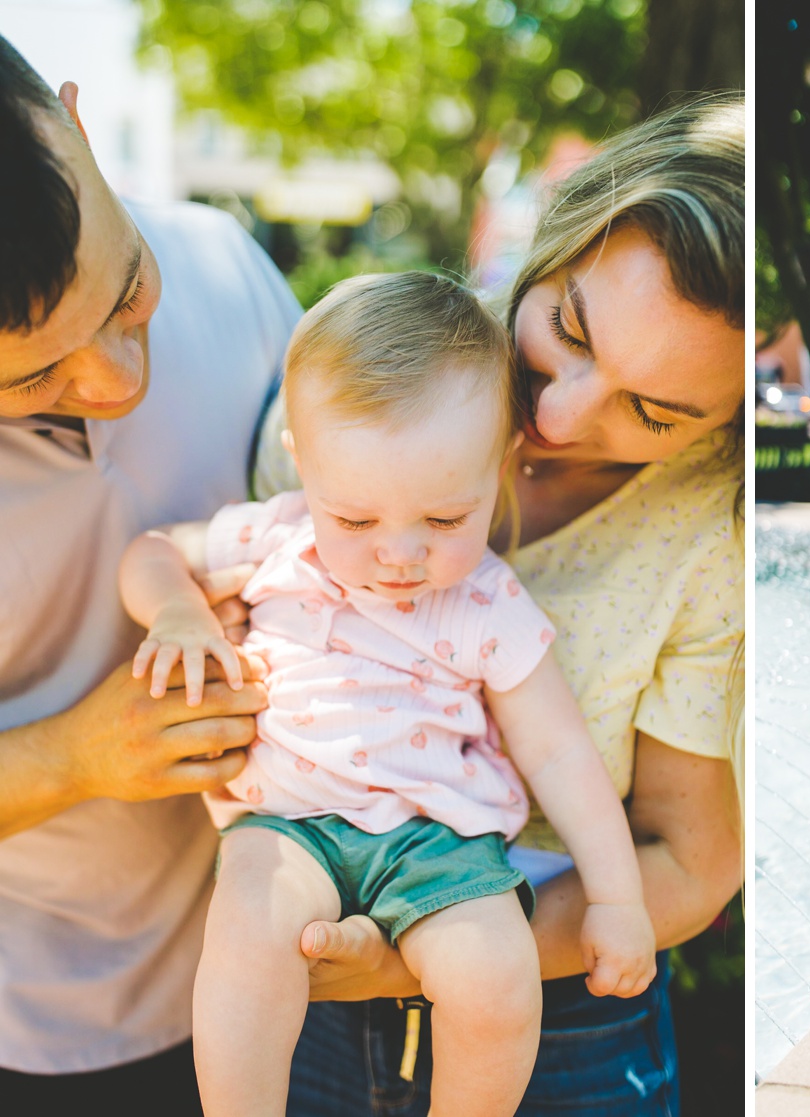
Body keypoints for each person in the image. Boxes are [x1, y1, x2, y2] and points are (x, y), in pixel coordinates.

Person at [272, 97, 746, 1115]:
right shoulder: (387, 372)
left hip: (560, 1016)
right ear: (564, 226)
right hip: (304, 979)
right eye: (569, 326)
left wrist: (429, 948)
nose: (562, 411)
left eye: (656, 412)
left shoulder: (716, 541)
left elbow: (694, 862)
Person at [121, 273, 657, 1116]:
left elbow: (558, 750)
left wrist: (619, 899)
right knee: (247, 931)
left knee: (497, 973)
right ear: (304, 462)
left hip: (440, 839)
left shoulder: (486, 600)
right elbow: (152, 551)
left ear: (500, 467)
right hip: (287, 824)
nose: (398, 554)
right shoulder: (274, 536)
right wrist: (181, 612)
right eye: (357, 520)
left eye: (445, 519)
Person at [0, 37, 299, 1112]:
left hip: (294, 991)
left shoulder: (227, 259)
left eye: (126, 294)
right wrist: (72, 756)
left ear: (79, 130)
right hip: (41, 1042)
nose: (118, 383)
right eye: (37, 376)